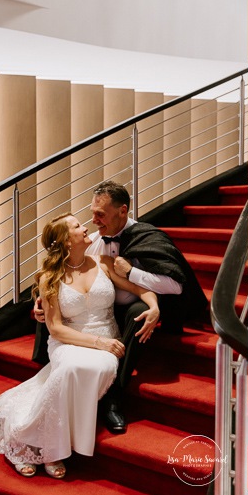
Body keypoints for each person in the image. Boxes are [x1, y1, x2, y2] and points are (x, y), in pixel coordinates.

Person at [0, 213, 160, 478]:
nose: (85, 227)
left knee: (90, 368)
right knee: (68, 369)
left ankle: (37, 439)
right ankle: (38, 446)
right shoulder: (48, 277)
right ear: (66, 241)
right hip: (69, 340)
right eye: (78, 226)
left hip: (107, 341)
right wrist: (99, 342)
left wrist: (155, 306)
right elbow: (55, 328)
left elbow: (141, 289)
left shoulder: (103, 263)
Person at [33, 180, 208, 434]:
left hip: (128, 311)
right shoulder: (91, 241)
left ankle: (113, 396)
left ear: (122, 211)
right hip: (92, 313)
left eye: (100, 214)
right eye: (92, 213)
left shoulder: (148, 236)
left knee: (139, 312)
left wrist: (135, 276)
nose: (93, 221)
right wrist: (44, 302)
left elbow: (176, 286)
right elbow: (64, 274)